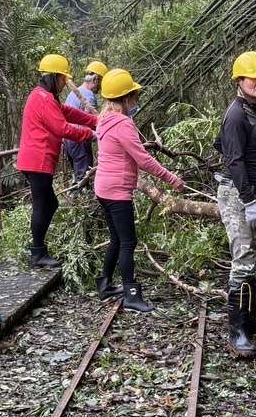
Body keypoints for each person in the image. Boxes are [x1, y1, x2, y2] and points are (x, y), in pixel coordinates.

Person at [94, 68, 184, 312]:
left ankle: (104, 285)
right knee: (128, 241)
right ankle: (131, 295)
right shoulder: (122, 123)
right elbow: (143, 160)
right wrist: (172, 178)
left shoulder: (104, 119)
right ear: (125, 98)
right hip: (116, 192)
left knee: (116, 238)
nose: (137, 100)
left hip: (102, 189)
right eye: (134, 96)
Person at [215, 50, 256, 359]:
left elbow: (230, 148)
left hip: (248, 191)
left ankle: (249, 321)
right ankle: (236, 332)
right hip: (237, 195)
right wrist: (249, 200)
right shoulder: (237, 114)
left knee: (252, 256)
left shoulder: (249, 110)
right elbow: (233, 159)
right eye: (254, 77)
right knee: (242, 259)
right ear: (240, 79)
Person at [16, 54, 98, 268]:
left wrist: (96, 121)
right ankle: (37, 254)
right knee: (43, 204)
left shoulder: (45, 97)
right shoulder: (43, 99)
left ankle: (38, 250)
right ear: (53, 77)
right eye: (62, 79)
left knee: (49, 203)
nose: (64, 83)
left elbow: (69, 113)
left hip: (36, 160)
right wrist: (91, 134)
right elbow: (61, 128)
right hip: (38, 160)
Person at [63, 60, 107, 181]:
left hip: (69, 140)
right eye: (101, 82)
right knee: (84, 176)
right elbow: (92, 122)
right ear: (95, 80)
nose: (101, 86)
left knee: (78, 175)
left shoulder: (73, 93)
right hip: (80, 140)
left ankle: (77, 195)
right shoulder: (88, 96)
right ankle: (82, 196)